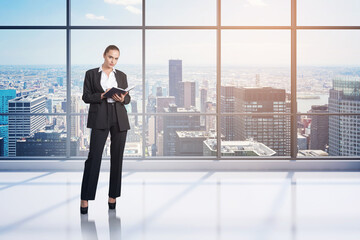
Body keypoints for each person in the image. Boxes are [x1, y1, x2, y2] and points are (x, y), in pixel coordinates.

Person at [80, 45, 131, 214]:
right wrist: (103, 95)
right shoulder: (91, 74)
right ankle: (85, 198)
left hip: (119, 117)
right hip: (100, 116)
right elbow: (86, 97)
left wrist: (122, 98)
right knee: (94, 158)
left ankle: (112, 197)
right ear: (104, 55)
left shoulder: (121, 75)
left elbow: (128, 98)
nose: (113, 61)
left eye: (116, 58)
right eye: (110, 57)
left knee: (117, 158)